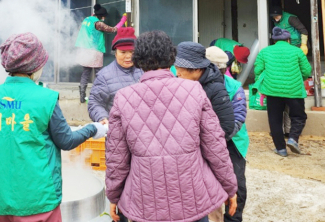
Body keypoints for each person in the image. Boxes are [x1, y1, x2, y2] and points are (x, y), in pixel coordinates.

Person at [0, 33, 107, 222]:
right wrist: (93, 129)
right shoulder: (46, 98)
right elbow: (66, 140)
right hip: (38, 203)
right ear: (35, 66)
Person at [106, 31, 238, 222]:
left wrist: (113, 194)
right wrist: (230, 187)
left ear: (138, 60)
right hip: (193, 199)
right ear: (171, 58)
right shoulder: (194, 90)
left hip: (145, 202)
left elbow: (116, 155)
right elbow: (215, 146)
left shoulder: (124, 97)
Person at [254, 27, 312, 157]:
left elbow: (258, 70)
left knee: (275, 120)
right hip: (294, 90)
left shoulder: (265, 52)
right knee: (298, 116)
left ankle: (281, 149)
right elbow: (307, 71)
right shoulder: (297, 51)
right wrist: (299, 79)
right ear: (288, 40)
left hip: (272, 90)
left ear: (274, 40)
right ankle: (293, 138)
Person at [206, 47, 249, 222]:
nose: (220, 73)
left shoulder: (234, 87)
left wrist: (220, 138)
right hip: (206, 141)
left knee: (236, 183)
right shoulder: (195, 86)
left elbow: (238, 117)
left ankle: (233, 218)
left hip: (233, 141)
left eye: (222, 69)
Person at [173, 42, 236, 139]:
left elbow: (226, 126)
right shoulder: (177, 84)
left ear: (197, 69)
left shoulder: (216, 89)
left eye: (181, 69)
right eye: (176, 68)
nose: (178, 74)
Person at [88, 27, 143, 124]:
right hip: (119, 131)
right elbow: (95, 103)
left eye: (132, 52)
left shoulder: (144, 69)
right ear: (115, 53)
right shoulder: (104, 76)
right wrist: (102, 117)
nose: (128, 56)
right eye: (123, 52)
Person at [75, 4, 127, 103]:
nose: (104, 18)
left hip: (83, 49)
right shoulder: (99, 24)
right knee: (99, 73)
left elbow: (82, 30)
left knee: (86, 72)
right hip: (94, 50)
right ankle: (98, 96)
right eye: (103, 16)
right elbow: (113, 29)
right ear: (100, 16)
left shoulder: (87, 19)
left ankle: (82, 95)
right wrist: (122, 20)